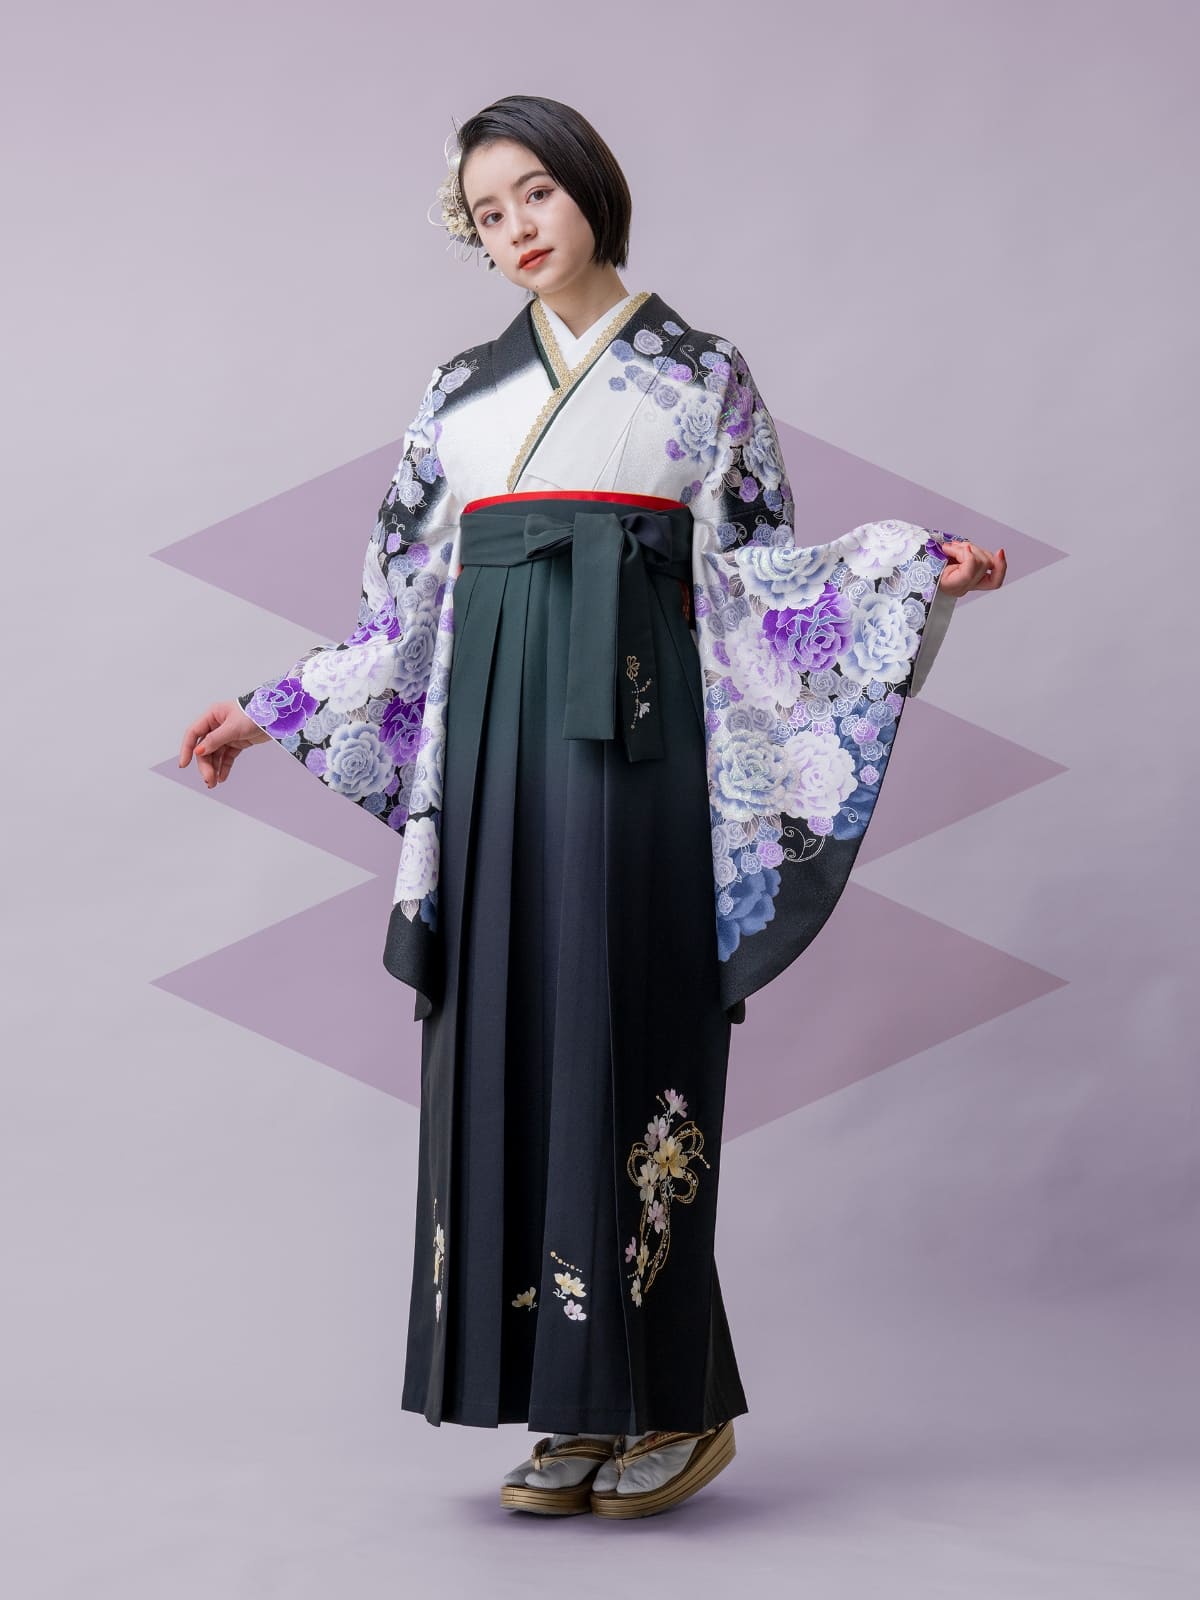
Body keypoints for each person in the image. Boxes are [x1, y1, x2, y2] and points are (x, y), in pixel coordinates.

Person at [179, 95, 1006, 1520]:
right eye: (486, 213)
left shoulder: (701, 376)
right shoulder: (460, 392)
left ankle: (673, 1401)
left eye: (535, 194)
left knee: (627, 1033)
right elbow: (404, 606)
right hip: (492, 742)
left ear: (591, 190)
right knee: (505, 1037)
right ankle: (568, 1401)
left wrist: (905, 571)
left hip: (641, 736)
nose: (515, 229)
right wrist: (278, 705)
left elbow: (755, 583)